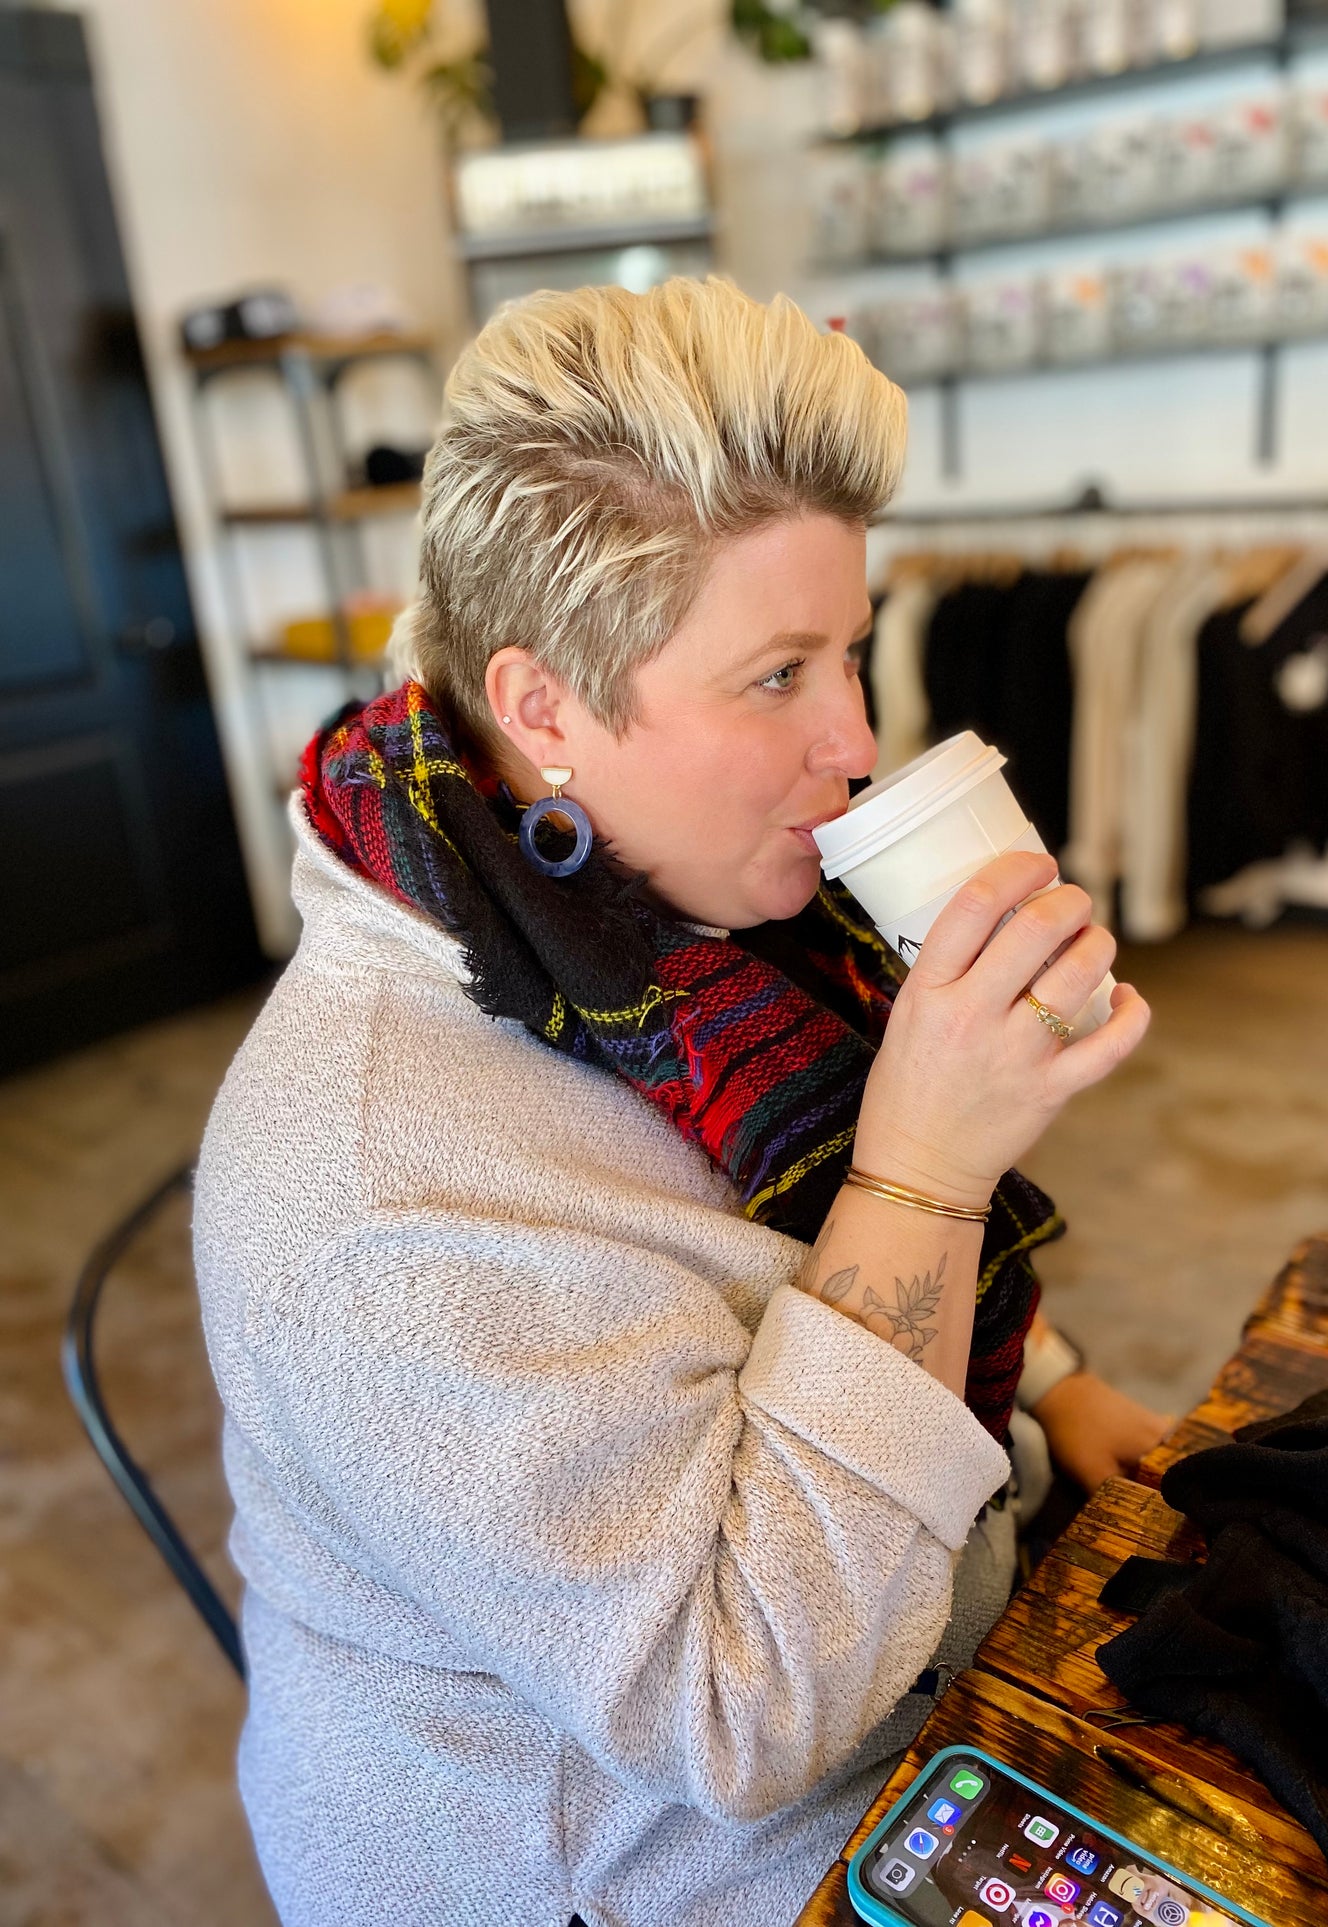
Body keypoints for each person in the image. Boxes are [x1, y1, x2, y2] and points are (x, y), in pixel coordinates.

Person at [193, 276, 1164, 1927]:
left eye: (849, 655)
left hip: (917, 1657)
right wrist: (926, 1172)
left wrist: (1054, 1387)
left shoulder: (664, 929)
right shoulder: (386, 1204)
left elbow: (780, 1220)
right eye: (777, 676)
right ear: (543, 707)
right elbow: (747, 1711)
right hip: (644, 1862)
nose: (854, 743)